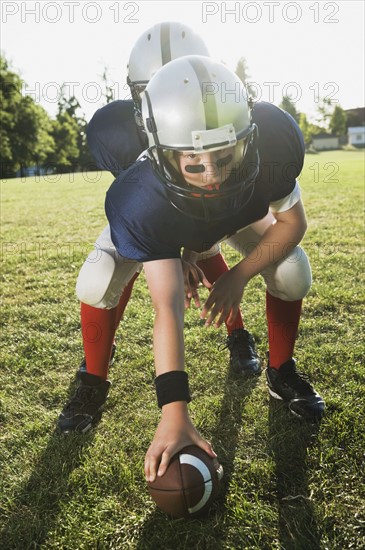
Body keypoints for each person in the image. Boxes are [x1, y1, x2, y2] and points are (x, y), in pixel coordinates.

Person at [98, 55, 325, 481]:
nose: (214, 177)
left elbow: (293, 223)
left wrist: (240, 274)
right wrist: (174, 411)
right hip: (173, 218)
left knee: (292, 271)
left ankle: (282, 371)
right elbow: (168, 308)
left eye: (226, 156)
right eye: (195, 164)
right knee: (96, 279)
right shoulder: (141, 198)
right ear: (161, 152)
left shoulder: (271, 144)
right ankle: (92, 377)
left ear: (249, 136)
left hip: (238, 217)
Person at [57, 23, 260, 436]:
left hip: (222, 208)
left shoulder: (233, 125)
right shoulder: (114, 133)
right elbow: (149, 221)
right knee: (97, 280)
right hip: (156, 212)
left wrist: (192, 251)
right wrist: (174, 252)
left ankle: (240, 336)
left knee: (278, 266)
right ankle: (94, 376)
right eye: (156, 90)